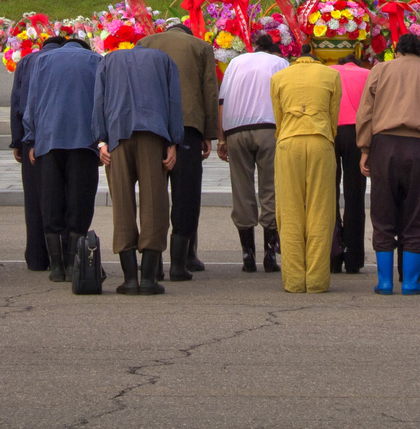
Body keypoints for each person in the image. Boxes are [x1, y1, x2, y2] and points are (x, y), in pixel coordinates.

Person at [355, 33, 420, 295]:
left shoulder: (380, 71)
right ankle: (410, 282)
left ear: (397, 52)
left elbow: (366, 113)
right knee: (417, 213)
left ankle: (385, 282)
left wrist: (365, 148)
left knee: (382, 212)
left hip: (384, 146)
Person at [94, 40, 184, 296]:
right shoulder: (164, 60)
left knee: (121, 204)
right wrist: (173, 142)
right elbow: (173, 103)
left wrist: (100, 140)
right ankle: (148, 279)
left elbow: (98, 99)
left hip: (117, 137)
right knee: (155, 204)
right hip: (153, 135)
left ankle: (130, 279)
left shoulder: (109, 60)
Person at [140, 19, 221, 280]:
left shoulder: (144, 44)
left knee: (154, 193)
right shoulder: (200, 46)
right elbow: (209, 89)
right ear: (188, 34)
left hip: (150, 126)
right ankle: (179, 263)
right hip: (188, 126)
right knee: (186, 193)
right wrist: (209, 133)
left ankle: (152, 263)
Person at [21, 34, 101, 281]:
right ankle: (73, 263)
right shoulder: (96, 61)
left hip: (49, 140)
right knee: (80, 202)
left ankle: (55, 267)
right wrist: (102, 139)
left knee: (51, 201)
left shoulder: (42, 60)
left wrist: (31, 138)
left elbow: (31, 103)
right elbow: (101, 103)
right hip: (84, 141)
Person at [270, 40, 344, 294]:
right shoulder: (332, 75)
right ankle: (316, 280)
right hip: (321, 141)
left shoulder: (279, 77)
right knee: (321, 211)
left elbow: (278, 118)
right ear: (317, 57)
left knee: (289, 211)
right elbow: (333, 118)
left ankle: (293, 280)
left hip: (288, 142)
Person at [218, 33, 288, 273]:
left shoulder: (236, 62)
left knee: (242, 190)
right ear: (273, 51)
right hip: (270, 129)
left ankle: (247, 255)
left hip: (236, 129)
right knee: (271, 189)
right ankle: (270, 255)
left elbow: (222, 100)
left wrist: (221, 138)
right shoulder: (280, 63)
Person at [6, 37, 49, 274]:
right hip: (60, 139)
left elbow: (17, 103)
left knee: (33, 199)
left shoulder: (27, 61)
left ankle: (36, 256)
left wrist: (18, 139)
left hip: (30, 139)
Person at [329, 51, 371, 275]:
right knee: (355, 195)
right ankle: (354, 258)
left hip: (331, 132)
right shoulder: (367, 73)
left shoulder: (329, 72)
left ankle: (333, 256)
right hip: (356, 134)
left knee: (329, 194)